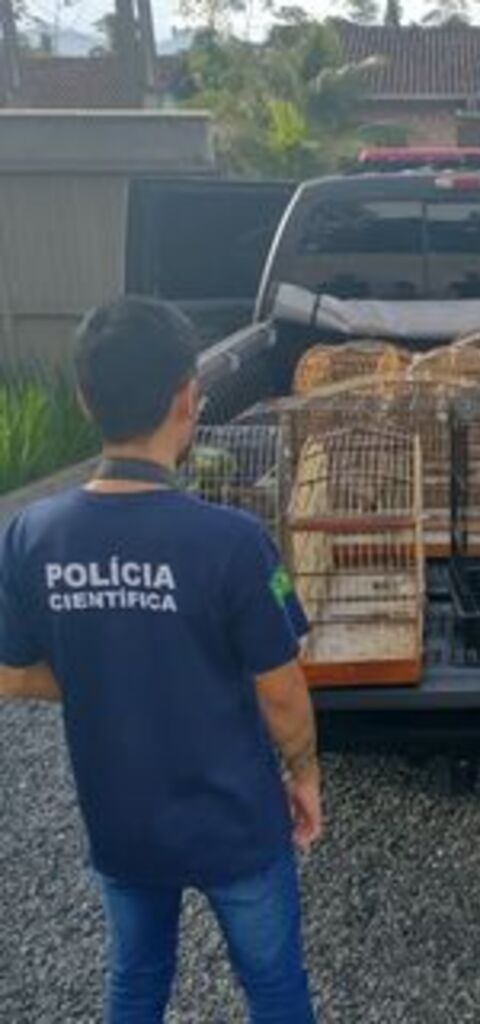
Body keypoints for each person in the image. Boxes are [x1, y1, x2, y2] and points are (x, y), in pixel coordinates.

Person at [0, 297, 322, 1022]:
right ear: (189, 396)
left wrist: (107, 678)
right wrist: (304, 775)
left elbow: (11, 672)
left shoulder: (30, 536)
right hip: (237, 821)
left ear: (86, 399)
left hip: (121, 820)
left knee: (137, 982)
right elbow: (282, 692)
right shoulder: (234, 542)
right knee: (272, 986)